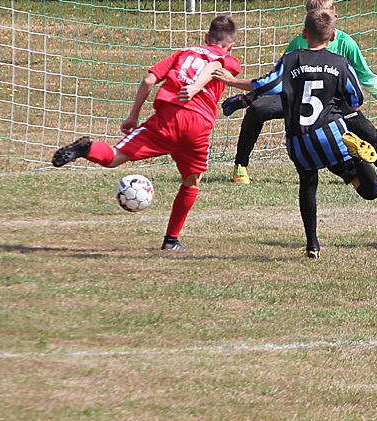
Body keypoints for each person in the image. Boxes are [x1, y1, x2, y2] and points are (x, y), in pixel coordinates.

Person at [51, 14, 242, 252]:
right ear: (231, 45)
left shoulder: (183, 53)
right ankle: (171, 240)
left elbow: (149, 79)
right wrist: (195, 87)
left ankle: (86, 149)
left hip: (166, 120)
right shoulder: (228, 59)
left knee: (115, 156)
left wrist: (133, 115)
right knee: (192, 181)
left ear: (206, 37)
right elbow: (215, 65)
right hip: (197, 125)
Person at [220, 7, 377, 257]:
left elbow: (264, 86)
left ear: (304, 33)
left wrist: (230, 81)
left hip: (299, 141)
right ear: (332, 36)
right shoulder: (340, 63)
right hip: (331, 136)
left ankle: (312, 245)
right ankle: (358, 158)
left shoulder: (291, 59)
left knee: (308, 184)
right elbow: (356, 99)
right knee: (369, 191)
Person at [224, 0, 377, 187]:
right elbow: (279, 79)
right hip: (299, 100)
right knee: (258, 110)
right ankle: (240, 165)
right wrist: (250, 98)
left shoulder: (346, 43)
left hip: (332, 104)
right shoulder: (298, 43)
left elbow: (366, 76)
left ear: (334, 17)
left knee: (366, 130)